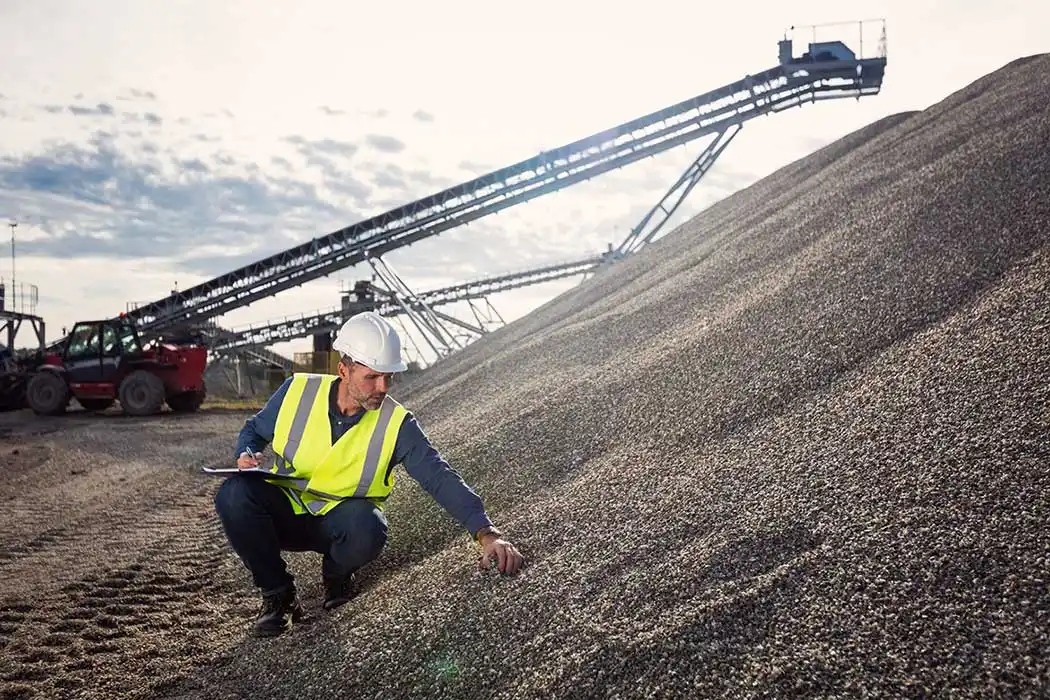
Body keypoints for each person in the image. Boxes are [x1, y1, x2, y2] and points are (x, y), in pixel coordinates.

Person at [213, 311, 525, 638]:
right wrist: (245, 454)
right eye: (372, 377)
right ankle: (279, 596)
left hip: (343, 523)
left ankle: (336, 576)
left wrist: (487, 533)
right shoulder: (297, 391)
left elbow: (439, 476)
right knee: (234, 494)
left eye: (389, 377)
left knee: (370, 527)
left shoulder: (397, 423)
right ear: (344, 370)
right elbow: (253, 431)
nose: (383, 388)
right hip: (286, 511)